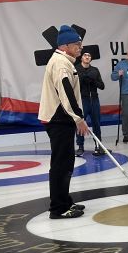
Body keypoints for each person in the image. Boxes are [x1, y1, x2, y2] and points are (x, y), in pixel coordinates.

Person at [39, 25, 89, 219]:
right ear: (65, 45)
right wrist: (78, 118)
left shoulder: (65, 60)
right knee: (61, 164)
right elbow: (66, 93)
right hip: (59, 118)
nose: (80, 47)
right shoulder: (60, 63)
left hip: (62, 118)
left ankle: (64, 200)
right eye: (77, 44)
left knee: (66, 162)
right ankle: (58, 208)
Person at [75, 50, 105, 157]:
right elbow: (72, 85)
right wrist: (82, 79)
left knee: (96, 122)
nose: (87, 57)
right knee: (80, 123)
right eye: (85, 55)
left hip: (94, 100)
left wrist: (93, 81)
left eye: (89, 55)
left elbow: (102, 86)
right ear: (81, 58)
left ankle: (98, 145)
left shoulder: (95, 70)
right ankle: (80, 147)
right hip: (82, 100)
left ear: (91, 59)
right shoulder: (76, 69)